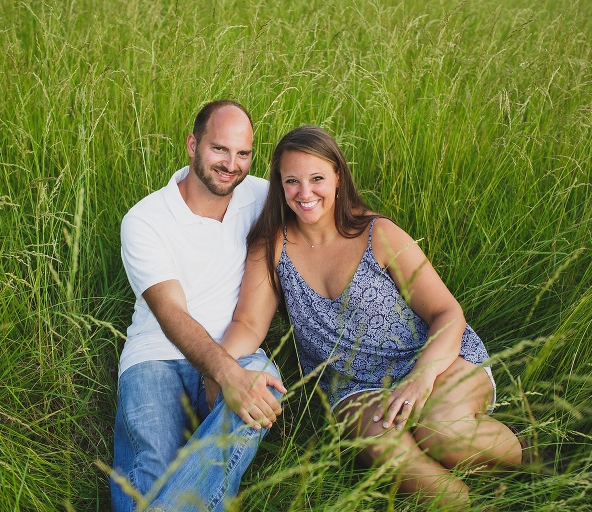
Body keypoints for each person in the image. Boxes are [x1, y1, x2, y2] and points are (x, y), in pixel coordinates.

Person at [219, 125, 523, 509]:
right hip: (354, 387)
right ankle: (476, 501)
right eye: (291, 181)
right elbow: (248, 324)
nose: (305, 193)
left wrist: (421, 378)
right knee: (403, 463)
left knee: (441, 433)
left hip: (433, 357)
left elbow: (446, 311)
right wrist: (217, 366)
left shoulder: (377, 233)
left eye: (317, 179)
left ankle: (529, 458)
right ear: (279, 185)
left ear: (338, 177)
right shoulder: (272, 247)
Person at [112, 100, 287, 512]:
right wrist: (224, 372)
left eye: (243, 153)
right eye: (219, 150)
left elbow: (323, 205)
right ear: (193, 145)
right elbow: (171, 314)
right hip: (155, 357)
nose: (232, 164)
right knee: (151, 468)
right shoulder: (146, 219)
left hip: (237, 347)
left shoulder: (261, 195)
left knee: (261, 381)